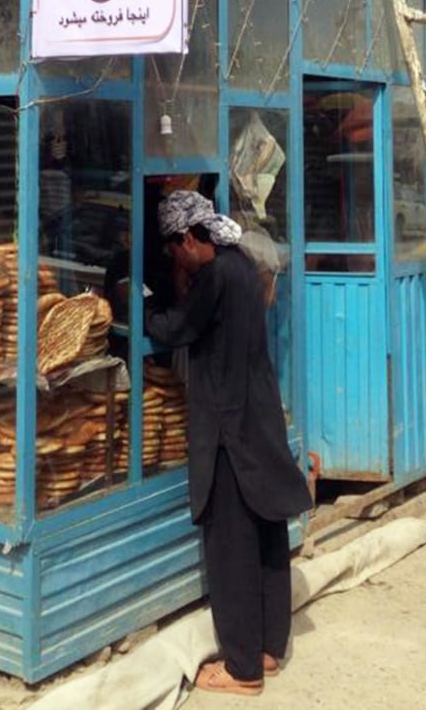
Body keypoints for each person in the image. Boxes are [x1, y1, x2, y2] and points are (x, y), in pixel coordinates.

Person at [144, 190, 313, 696]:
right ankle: (267, 648)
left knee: (231, 549)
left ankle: (243, 669)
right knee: (267, 536)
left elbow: (176, 329)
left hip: (228, 431)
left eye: (173, 247)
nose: (172, 255)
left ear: (191, 238)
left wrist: (145, 298)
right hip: (258, 419)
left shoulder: (214, 278)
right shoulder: (239, 267)